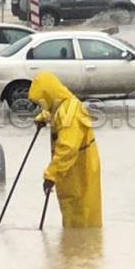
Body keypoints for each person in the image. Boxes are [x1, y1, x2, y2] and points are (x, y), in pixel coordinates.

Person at [28, 72, 102, 228]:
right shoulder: (62, 104)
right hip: (71, 170)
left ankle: (81, 248)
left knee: (81, 213)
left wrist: (51, 174)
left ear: (48, 95)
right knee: (71, 209)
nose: (41, 106)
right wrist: (44, 116)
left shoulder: (71, 113)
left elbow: (68, 148)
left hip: (80, 170)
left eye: (41, 102)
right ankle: (70, 247)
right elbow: (56, 110)